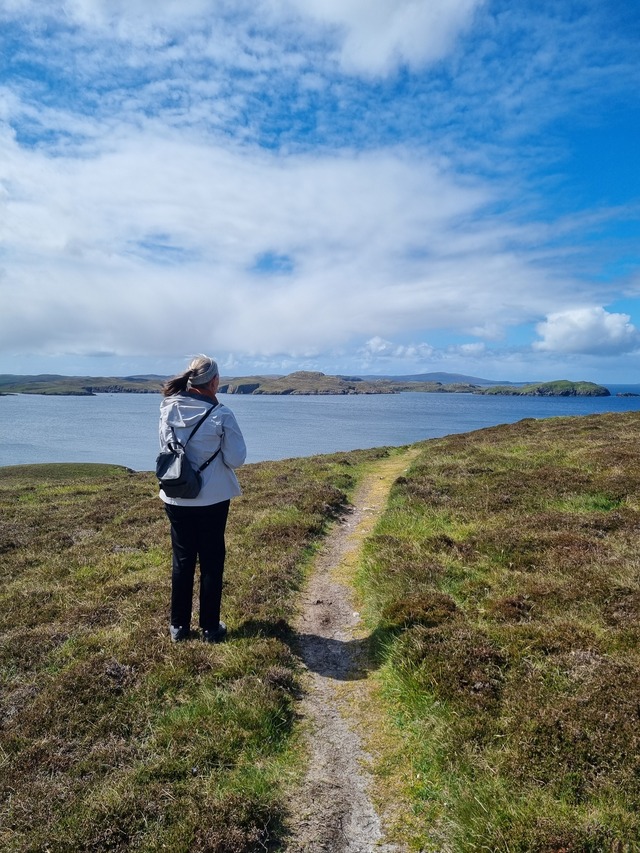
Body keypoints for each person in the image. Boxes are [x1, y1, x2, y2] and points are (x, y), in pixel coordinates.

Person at [158, 354, 246, 643]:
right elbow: (236, 459)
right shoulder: (222, 414)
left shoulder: (167, 408)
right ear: (215, 381)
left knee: (182, 559)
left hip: (176, 495)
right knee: (211, 559)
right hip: (213, 498)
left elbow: (167, 450)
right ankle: (210, 627)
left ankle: (179, 626)